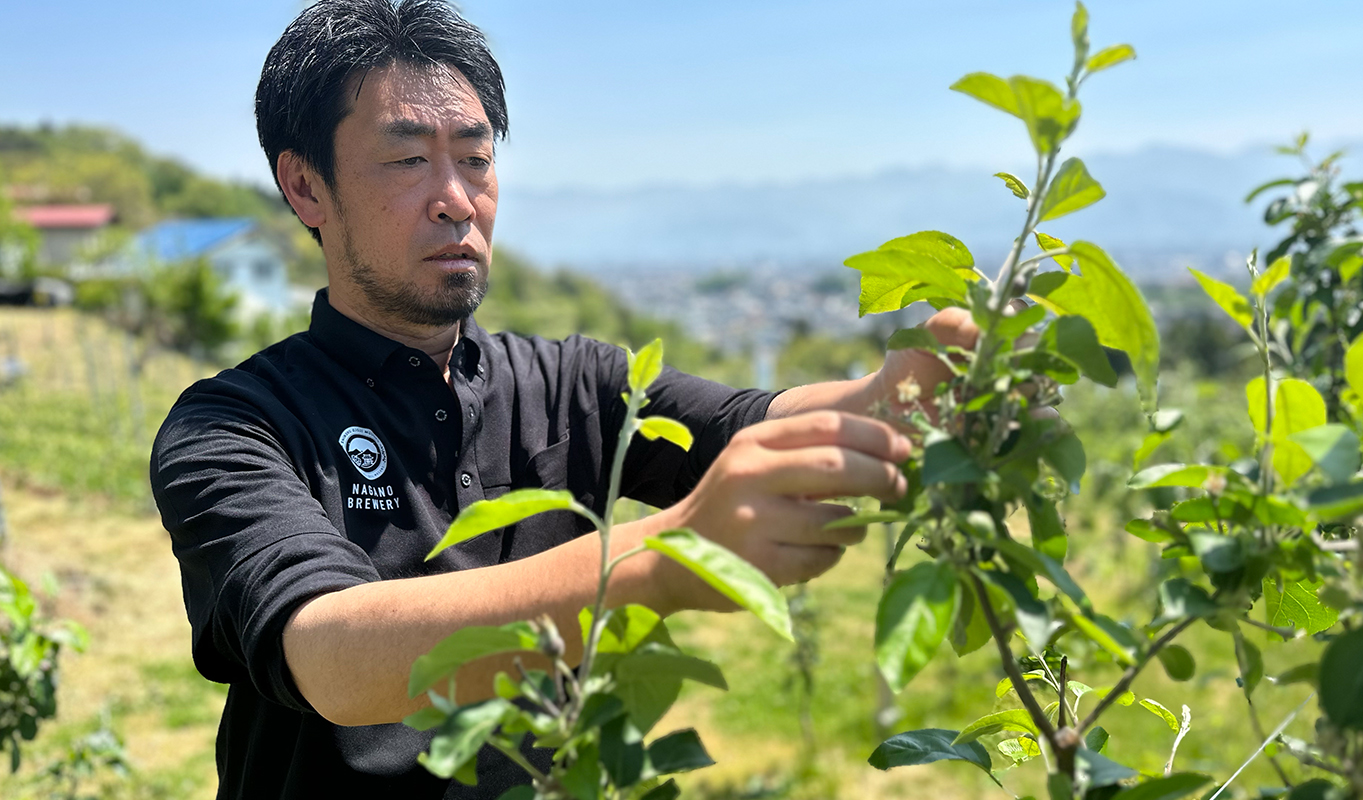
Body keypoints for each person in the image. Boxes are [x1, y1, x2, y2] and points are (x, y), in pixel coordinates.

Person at [150, 0, 983, 797]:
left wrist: (903, 390)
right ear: (306, 188)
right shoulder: (233, 425)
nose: (457, 198)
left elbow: (744, 427)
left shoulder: (570, 384)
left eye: (475, 159)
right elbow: (329, 654)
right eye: (408, 160)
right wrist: (662, 558)